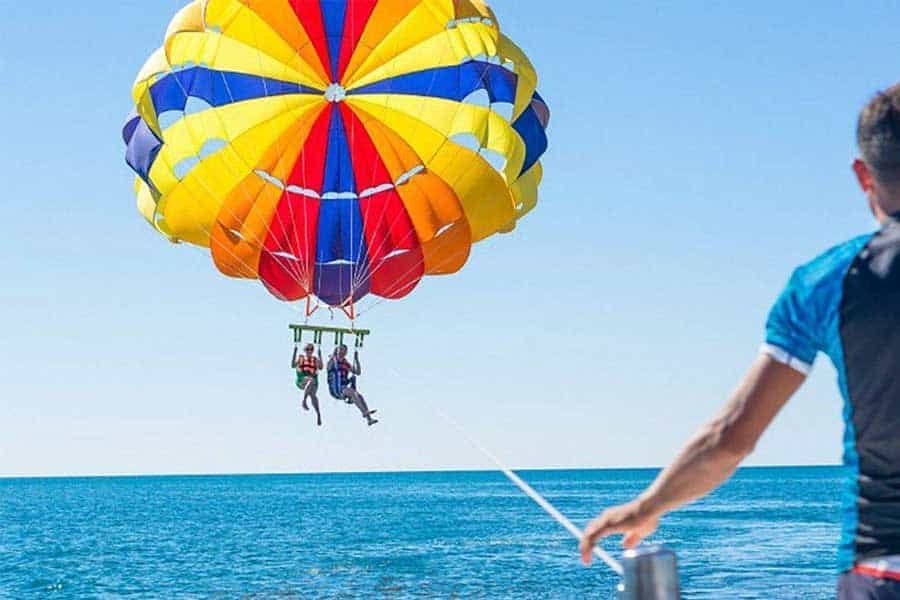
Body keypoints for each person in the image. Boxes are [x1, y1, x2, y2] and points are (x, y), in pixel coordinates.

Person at [579, 85, 900, 599]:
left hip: (882, 571)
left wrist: (647, 506)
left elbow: (730, 438)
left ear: (863, 175)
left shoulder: (827, 282)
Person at [327, 345, 378, 426]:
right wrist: (333, 356)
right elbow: (328, 367)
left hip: (344, 388)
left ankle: (369, 419)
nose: (342, 352)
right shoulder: (333, 361)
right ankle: (364, 412)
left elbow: (357, 372)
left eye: (344, 351)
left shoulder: (346, 364)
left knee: (359, 396)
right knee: (352, 392)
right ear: (337, 351)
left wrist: (356, 360)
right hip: (336, 389)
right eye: (341, 350)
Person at [292, 343, 323, 426]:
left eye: (311, 349)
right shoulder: (301, 358)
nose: (309, 351)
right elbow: (293, 365)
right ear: (304, 350)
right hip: (301, 380)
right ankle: (304, 400)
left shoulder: (315, 359)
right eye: (307, 349)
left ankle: (318, 414)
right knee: (311, 380)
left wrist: (320, 355)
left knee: (313, 395)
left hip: (312, 382)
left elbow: (321, 367)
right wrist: (295, 351)